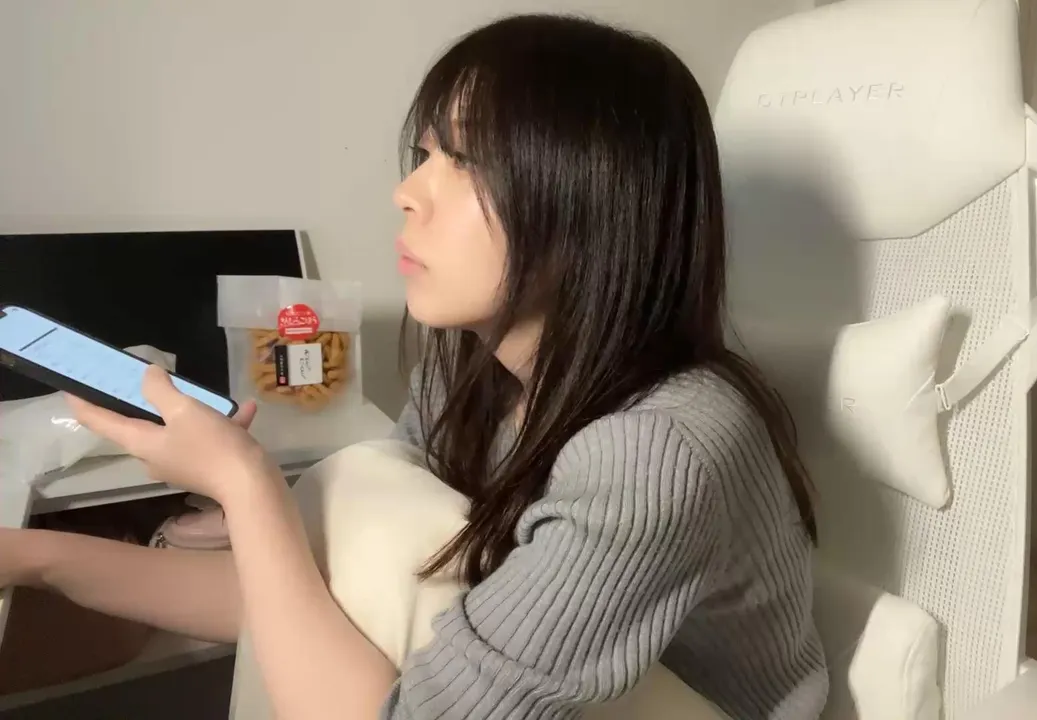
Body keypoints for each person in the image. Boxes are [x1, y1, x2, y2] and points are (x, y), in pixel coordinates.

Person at [0, 14, 828, 720]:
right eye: (425, 154)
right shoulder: (468, 374)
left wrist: (246, 485)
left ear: (593, 204)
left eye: (468, 162)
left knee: (362, 491)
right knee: (355, 500)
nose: (409, 192)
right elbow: (294, 601)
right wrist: (34, 557)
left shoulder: (659, 448)